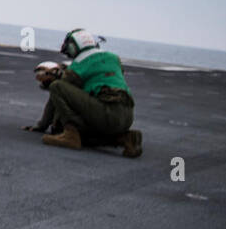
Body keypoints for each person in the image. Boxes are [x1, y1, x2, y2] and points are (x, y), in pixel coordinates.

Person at [21, 29, 141, 157]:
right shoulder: (113, 58)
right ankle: (125, 138)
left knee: (57, 86)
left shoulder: (80, 63)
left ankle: (70, 134)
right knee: (87, 134)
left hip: (107, 112)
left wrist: (42, 125)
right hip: (127, 115)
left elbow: (59, 90)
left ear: (74, 46)